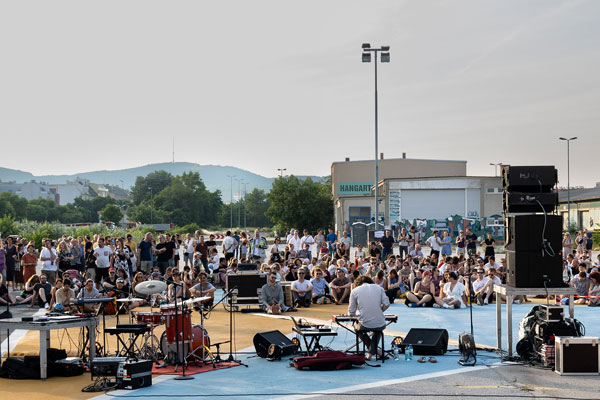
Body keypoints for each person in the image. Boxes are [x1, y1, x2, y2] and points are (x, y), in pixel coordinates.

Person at [348, 275, 390, 360]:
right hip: (380, 322)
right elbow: (387, 304)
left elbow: (351, 312)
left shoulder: (355, 290)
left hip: (365, 323)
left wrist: (356, 313)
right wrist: (380, 311)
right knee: (378, 329)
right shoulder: (379, 288)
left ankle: (371, 352)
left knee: (357, 328)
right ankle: (374, 351)